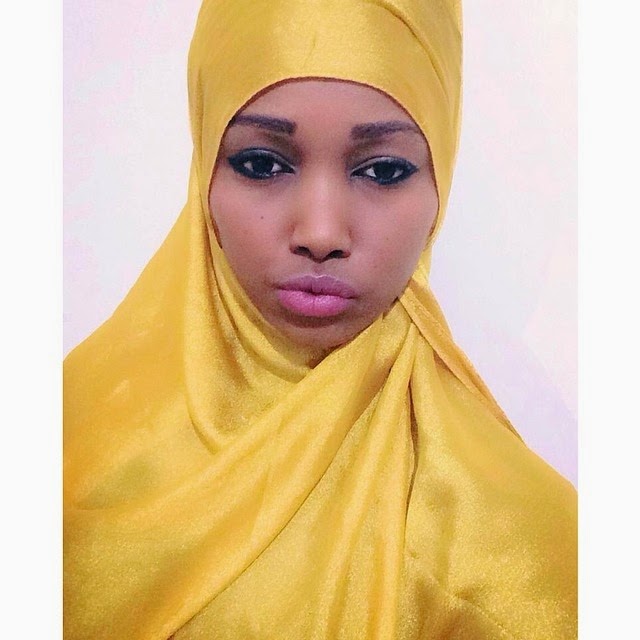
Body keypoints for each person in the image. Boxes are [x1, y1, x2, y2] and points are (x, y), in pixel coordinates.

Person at [63, 1, 577, 638]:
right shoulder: (65, 440)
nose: (321, 232)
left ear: (440, 180)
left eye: (383, 171)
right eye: (262, 164)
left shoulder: (520, 549)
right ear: (204, 167)